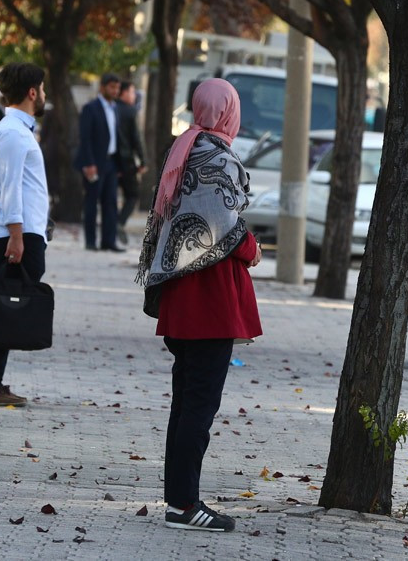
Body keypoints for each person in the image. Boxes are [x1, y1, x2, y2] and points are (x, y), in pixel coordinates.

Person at [136, 78, 263, 533]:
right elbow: (222, 226)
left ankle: (179, 501)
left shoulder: (183, 148)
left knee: (185, 403)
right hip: (208, 299)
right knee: (199, 407)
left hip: (180, 296)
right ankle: (184, 506)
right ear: (229, 111)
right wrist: (252, 248)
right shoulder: (218, 156)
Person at [0, 62, 50, 407]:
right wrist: (17, 237)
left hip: (23, 232)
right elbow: (10, 191)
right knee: (3, 307)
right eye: (43, 89)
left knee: (6, 306)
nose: (44, 95)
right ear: (32, 92)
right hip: (14, 234)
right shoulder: (12, 133)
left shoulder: (18, 131)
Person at [74, 73, 124, 252]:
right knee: (92, 201)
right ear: (102, 87)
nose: (115, 91)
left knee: (110, 202)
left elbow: (116, 137)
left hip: (111, 162)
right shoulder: (90, 108)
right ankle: (90, 241)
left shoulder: (115, 108)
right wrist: (88, 163)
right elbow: (85, 138)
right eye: (112, 87)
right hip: (94, 162)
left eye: (117, 88)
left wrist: (119, 164)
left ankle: (108, 241)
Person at [115, 80, 147, 246]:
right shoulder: (130, 112)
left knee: (110, 196)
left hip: (112, 161)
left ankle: (113, 224)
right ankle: (119, 223)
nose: (134, 96)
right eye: (133, 92)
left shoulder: (111, 109)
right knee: (132, 195)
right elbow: (136, 139)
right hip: (127, 161)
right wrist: (143, 160)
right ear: (125, 93)